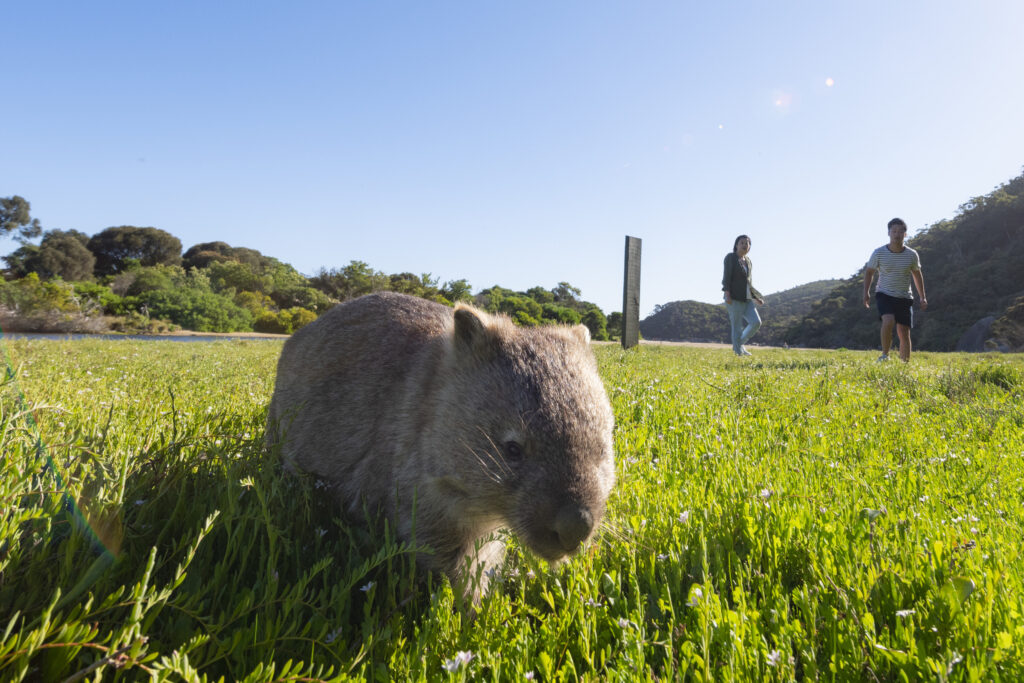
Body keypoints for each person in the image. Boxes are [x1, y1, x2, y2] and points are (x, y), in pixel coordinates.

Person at [862, 217, 928, 362]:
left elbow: (917, 275)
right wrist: (866, 292)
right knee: (888, 320)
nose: (897, 234)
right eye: (894, 231)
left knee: (904, 331)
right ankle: (885, 355)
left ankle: (904, 364)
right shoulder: (879, 252)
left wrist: (922, 296)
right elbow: (869, 272)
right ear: (889, 233)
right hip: (884, 293)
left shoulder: (912, 255)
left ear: (905, 234)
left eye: (900, 231)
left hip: (904, 296)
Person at [722, 234, 764, 356]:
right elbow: (727, 277)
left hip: (747, 298)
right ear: (736, 245)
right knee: (737, 327)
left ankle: (739, 344)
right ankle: (738, 352)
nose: (745, 245)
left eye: (747, 243)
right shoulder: (731, 258)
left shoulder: (749, 262)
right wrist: (727, 294)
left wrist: (756, 297)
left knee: (756, 322)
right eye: (742, 243)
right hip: (734, 297)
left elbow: (748, 282)